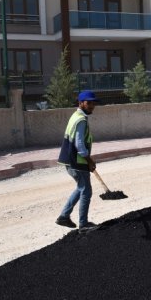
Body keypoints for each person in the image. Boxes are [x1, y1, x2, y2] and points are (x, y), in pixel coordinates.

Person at [56, 90, 100, 232]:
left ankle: (64, 216)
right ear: (80, 103)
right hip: (77, 161)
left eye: (93, 103)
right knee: (86, 191)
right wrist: (89, 160)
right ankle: (84, 224)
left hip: (69, 160)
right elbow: (79, 144)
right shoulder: (80, 120)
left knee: (81, 187)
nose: (92, 105)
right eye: (89, 103)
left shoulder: (75, 115)